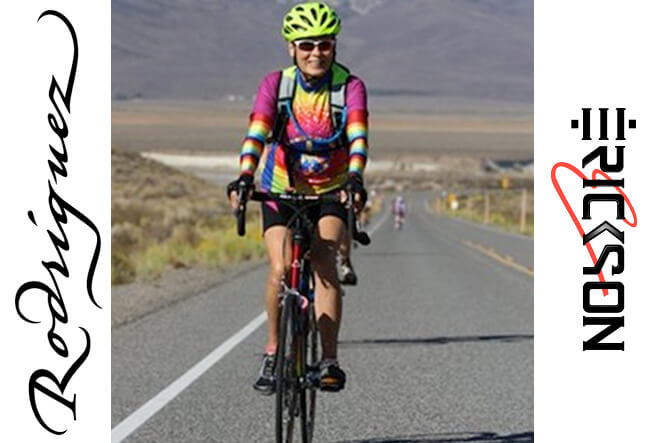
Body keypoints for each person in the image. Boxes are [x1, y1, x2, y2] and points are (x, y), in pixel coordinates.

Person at [227, 2, 369, 394]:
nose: (315, 53)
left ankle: (328, 360)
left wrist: (355, 177)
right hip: (279, 187)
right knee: (278, 269)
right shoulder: (276, 84)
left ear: (334, 46)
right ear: (292, 47)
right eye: (306, 45)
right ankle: (273, 352)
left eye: (324, 45)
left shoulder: (349, 87)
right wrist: (244, 176)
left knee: (324, 262)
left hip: (329, 188)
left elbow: (358, 136)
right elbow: (257, 131)